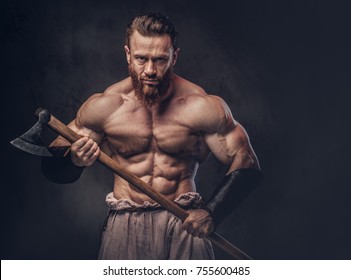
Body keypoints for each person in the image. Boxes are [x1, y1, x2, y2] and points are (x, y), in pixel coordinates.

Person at [42, 12, 261, 260]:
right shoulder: (105, 106)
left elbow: (247, 161)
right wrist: (74, 160)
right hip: (125, 225)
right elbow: (52, 164)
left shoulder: (201, 106)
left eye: (159, 59)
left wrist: (212, 212)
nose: (150, 70)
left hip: (184, 223)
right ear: (127, 54)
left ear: (174, 57)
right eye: (140, 58)